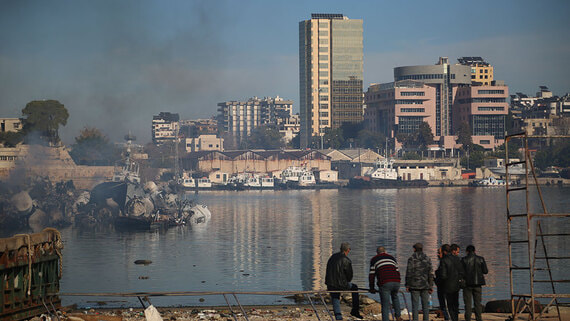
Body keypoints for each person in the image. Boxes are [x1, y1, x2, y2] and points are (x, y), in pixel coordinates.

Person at [325, 242, 363, 320]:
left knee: (335, 298)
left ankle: (339, 318)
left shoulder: (332, 257)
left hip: (330, 283)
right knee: (355, 288)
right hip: (341, 284)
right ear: (348, 250)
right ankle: (355, 310)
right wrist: (346, 282)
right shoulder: (346, 260)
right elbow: (349, 276)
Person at [369, 246, 402, 321]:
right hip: (396, 281)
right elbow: (397, 271)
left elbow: (372, 275)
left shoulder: (374, 259)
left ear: (377, 253)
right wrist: (398, 281)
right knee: (395, 297)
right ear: (385, 251)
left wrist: (372, 288)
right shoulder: (392, 258)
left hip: (385, 282)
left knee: (385, 304)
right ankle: (398, 317)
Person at [405, 243, 434, 321]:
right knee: (425, 306)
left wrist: (407, 285)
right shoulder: (427, 258)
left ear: (414, 249)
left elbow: (409, 272)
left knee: (415, 305)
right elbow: (431, 273)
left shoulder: (411, 259)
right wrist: (431, 285)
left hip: (414, 285)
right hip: (425, 285)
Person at [461, 245, 488, 321]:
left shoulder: (464, 260)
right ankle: (479, 318)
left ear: (467, 251)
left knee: (468, 304)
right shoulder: (481, 259)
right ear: (475, 251)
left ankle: (468, 319)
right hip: (478, 284)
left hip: (467, 284)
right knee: (478, 303)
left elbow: (461, 272)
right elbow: (485, 271)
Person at [439, 244, 465, 321]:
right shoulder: (457, 259)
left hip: (447, 286)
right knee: (455, 304)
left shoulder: (444, 260)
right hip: (456, 286)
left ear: (444, 252)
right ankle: (455, 318)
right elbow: (462, 272)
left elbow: (443, 275)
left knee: (449, 305)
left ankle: (451, 318)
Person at [434, 244, 450, 321]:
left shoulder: (443, 262)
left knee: (444, 305)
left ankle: (447, 318)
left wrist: (436, 280)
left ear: (444, 252)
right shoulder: (455, 260)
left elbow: (442, 276)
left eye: (439, 253)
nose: (438, 254)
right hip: (450, 286)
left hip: (443, 287)